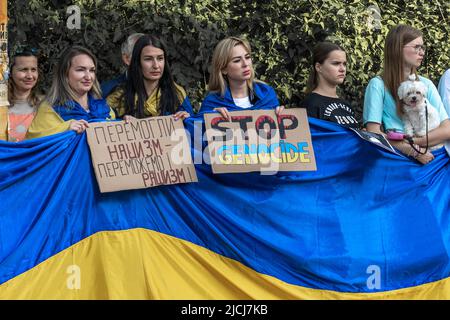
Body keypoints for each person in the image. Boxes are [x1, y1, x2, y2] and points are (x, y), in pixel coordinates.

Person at [363, 24, 450, 164]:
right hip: (396, 159)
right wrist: (413, 151)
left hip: (434, 157)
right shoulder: (377, 85)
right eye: (416, 47)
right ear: (397, 48)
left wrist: (416, 142)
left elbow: (447, 129)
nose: (422, 52)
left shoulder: (426, 84)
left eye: (422, 47)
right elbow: (373, 133)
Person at [27, 46, 115, 139]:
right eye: (80, 70)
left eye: (92, 70)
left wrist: (126, 125)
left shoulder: (104, 108)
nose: (88, 77)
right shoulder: (50, 108)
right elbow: (33, 144)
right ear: (65, 74)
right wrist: (65, 128)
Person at [106, 34, 192, 121]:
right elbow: (101, 125)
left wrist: (187, 120)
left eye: (160, 58)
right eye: (148, 59)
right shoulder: (119, 95)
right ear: (137, 62)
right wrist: (122, 123)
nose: (156, 65)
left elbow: (196, 131)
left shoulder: (177, 93)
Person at [198, 36, 282, 120]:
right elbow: (195, 130)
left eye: (247, 57)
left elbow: (281, 131)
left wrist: (282, 116)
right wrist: (211, 117)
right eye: (237, 60)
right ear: (223, 69)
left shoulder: (266, 94)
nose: (245, 64)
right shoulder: (212, 102)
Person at [301, 41, 359, 128]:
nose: (342, 69)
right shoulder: (311, 103)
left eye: (344, 64)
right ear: (318, 67)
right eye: (336, 63)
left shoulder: (346, 105)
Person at [0, 47, 41, 141]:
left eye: (33, 70)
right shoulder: (1, 105)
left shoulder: (45, 106)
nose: (30, 76)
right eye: (24, 70)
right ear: (9, 72)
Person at [101, 32, 144, 98]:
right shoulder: (107, 90)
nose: (155, 64)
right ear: (127, 59)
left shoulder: (163, 88)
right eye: (145, 57)